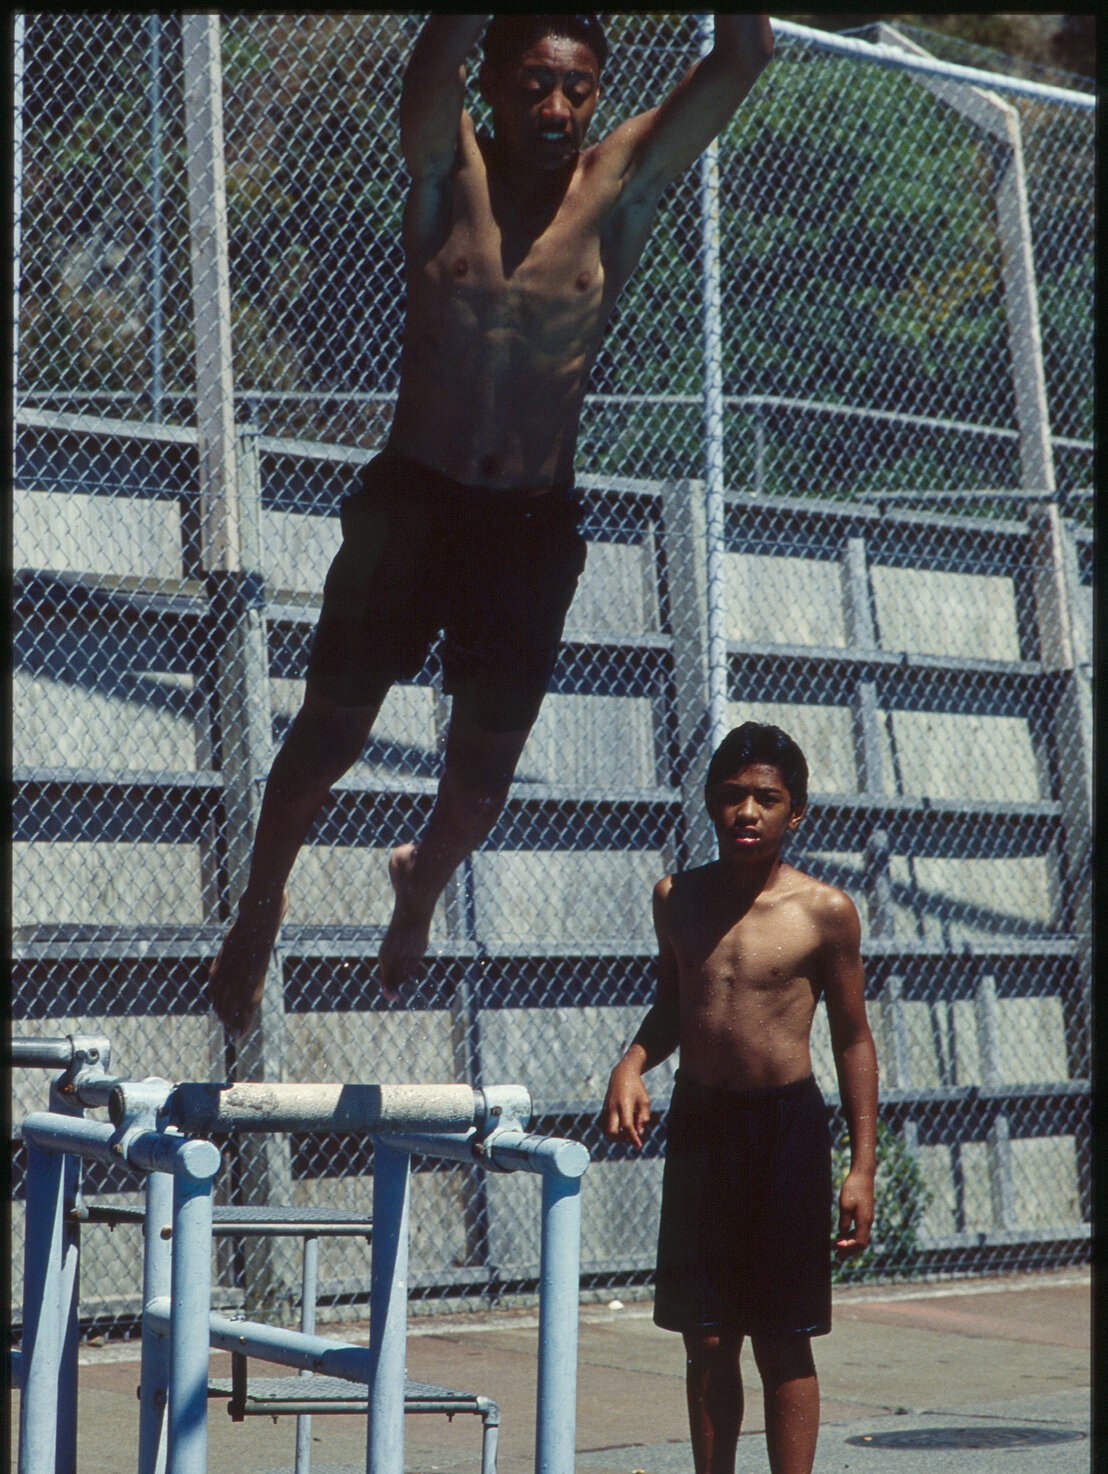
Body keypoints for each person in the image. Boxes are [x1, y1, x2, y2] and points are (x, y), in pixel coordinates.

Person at [209, 11, 775, 1037]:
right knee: (326, 739)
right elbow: (429, 61)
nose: (556, 109)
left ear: (597, 95)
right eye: (533, 86)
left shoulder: (617, 188)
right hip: (413, 505)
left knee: (476, 795)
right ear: (493, 85)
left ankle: (418, 882)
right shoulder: (448, 168)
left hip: (527, 526)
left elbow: (743, 57)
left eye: (577, 89)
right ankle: (259, 910)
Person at [601, 722, 878, 1474]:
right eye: (732, 796)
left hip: (784, 1130)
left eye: (767, 798)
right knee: (708, 1336)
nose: (747, 812)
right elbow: (675, 1003)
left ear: (797, 812)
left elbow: (853, 1038)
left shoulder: (824, 912)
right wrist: (632, 1061)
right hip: (702, 1125)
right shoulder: (676, 898)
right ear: (709, 804)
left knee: (783, 1336)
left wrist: (862, 1166)